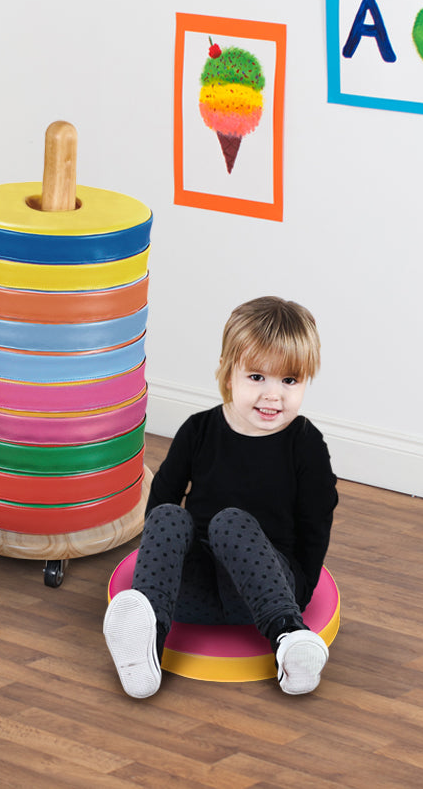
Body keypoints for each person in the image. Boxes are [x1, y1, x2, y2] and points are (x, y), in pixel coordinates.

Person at [104, 296, 338, 698]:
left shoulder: (305, 444)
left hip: (269, 589)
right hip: (197, 591)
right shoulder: (199, 430)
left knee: (230, 521)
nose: (273, 395)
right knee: (167, 516)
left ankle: (288, 639)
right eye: (257, 377)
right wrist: (158, 574)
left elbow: (316, 524)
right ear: (229, 374)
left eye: (290, 381)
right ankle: (147, 643)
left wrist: (300, 593)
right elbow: (162, 498)